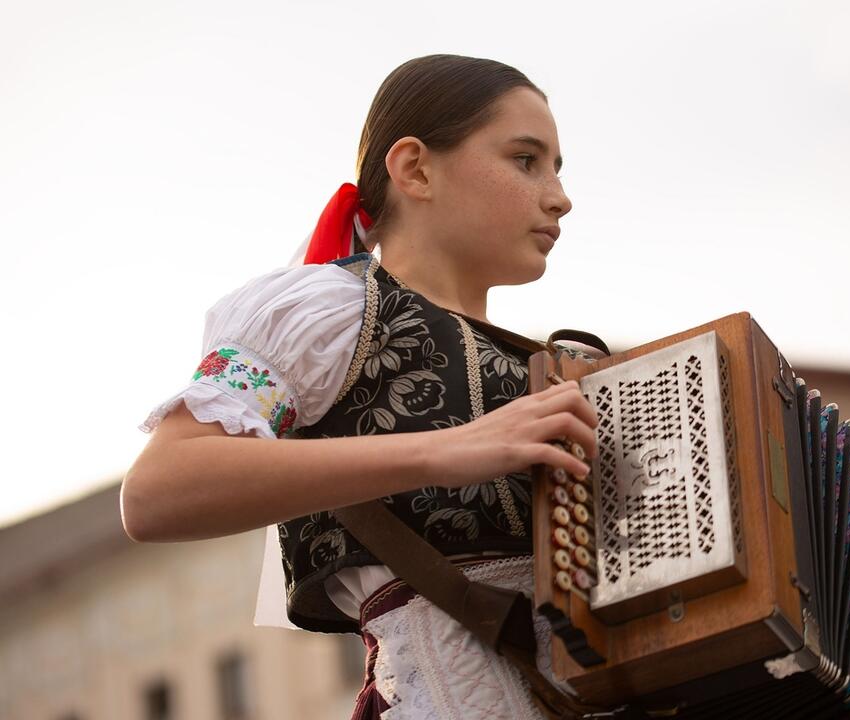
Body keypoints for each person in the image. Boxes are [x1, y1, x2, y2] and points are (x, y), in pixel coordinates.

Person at [122, 54, 599, 719]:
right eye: (526, 160)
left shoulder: (548, 368)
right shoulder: (325, 311)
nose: (559, 196)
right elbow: (155, 491)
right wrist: (451, 447)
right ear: (415, 168)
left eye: (557, 169)